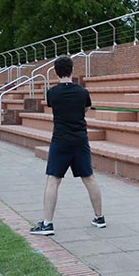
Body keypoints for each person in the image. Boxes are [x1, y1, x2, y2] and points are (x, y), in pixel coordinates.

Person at [30, 56, 105, 236]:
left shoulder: (52, 93)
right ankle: (99, 217)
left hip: (60, 140)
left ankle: (47, 223)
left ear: (56, 72)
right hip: (80, 140)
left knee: (53, 179)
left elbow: (54, 107)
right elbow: (85, 110)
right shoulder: (82, 92)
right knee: (89, 178)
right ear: (72, 70)